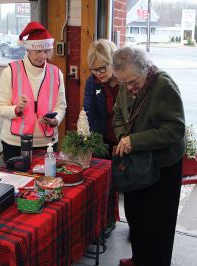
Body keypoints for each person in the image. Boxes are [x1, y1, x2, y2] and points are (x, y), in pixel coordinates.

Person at [112, 46, 185, 266]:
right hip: (137, 162)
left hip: (163, 166)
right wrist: (123, 136)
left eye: (132, 81)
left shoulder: (164, 86)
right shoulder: (128, 82)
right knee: (136, 216)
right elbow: (118, 114)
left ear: (145, 68)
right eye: (123, 83)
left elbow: (174, 130)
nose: (128, 87)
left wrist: (134, 141)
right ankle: (139, 259)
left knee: (158, 224)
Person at [0, 21, 67, 162]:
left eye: (46, 51)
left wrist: (55, 120)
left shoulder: (56, 73)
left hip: (47, 143)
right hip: (15, 143)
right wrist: (16, 109)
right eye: (38, 51)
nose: (42, 56)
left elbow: (61, 106)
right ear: (27, 50)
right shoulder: (9, 72)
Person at [83, 39, 119, 238]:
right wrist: (88, 141)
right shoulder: (93, 83)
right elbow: (88, 111)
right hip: (102, 139)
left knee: (129, 184)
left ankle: (137, 227)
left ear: (113, 62)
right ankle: (107, 221)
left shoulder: (125, 79)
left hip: (125, 141)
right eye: (94, 70)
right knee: (105, 185)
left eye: (102, 68)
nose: (98, 74)